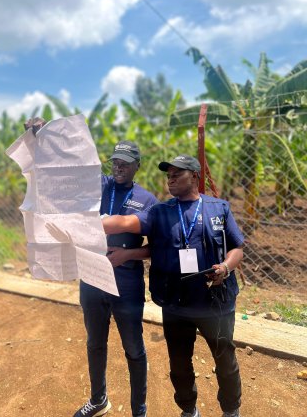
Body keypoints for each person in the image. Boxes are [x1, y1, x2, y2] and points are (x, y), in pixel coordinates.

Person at [102, 154, 244, 417]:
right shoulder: (160, 212)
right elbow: (134, 232)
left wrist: (225, 267)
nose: (171, 179)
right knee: (179, 364)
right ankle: (189, 410)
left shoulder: (219, 208)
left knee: (225, 361)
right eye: (168, 175)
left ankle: (231, 410)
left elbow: (237, 249)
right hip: (176, 304)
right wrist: (123, 251)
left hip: (216, 304)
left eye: (177, 174)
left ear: (195, 177)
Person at [74, 141, 158, 417]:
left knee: (133, 347)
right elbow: (73, 167)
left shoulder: (146, 200)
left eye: (125, 162)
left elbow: (156, 247)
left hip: (126, 285)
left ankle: (139, 411)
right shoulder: (99, 186)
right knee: (94, 342)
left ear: (137, 166)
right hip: (92, 279)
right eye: (115, 162)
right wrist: (44, 137)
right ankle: (99, 400)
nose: (118, 166)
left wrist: (129, 254)